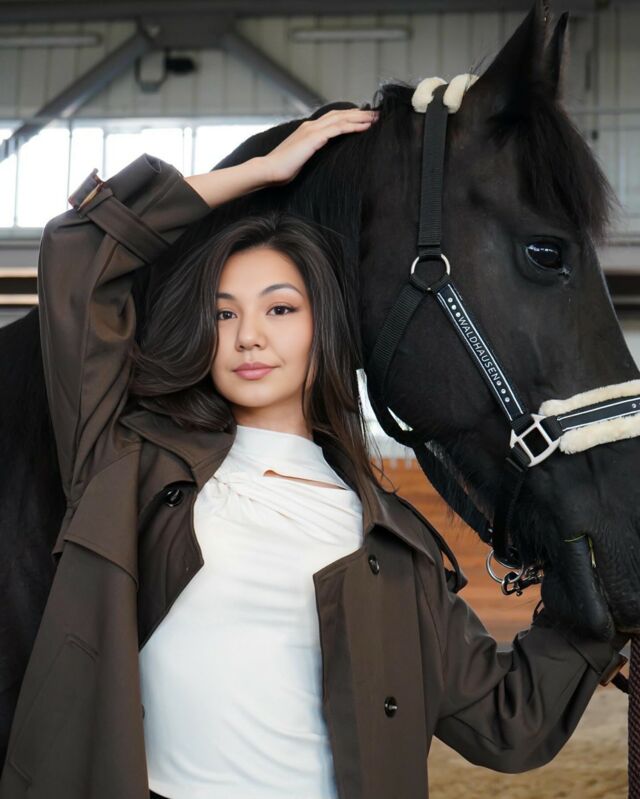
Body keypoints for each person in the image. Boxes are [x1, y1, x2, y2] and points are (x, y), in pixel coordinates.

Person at [1, 106, 628, 799]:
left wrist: (605, 610)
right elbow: (82, 248)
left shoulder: (393, 542)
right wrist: (256, 174)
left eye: (280, 309)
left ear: (321, 328)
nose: (249, 335)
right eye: (224, 312)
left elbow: (509, 721)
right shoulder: (127, 464)